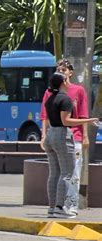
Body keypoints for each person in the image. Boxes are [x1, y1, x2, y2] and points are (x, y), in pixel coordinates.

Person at [40, 72, 98, 218]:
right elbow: (66, 121)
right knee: (67, 173)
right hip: (62, 135)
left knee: (54, 174)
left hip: (51, 135)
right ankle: (60, 207)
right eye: (66, 80)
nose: (68, 82)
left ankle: (52, 208)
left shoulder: (50, 98)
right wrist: (88, 121)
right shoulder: (65, 99)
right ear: (63, 82)